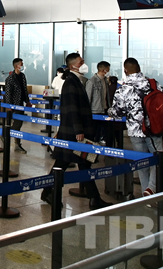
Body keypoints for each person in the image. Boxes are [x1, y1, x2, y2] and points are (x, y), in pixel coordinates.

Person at [40, 53, 111, 210]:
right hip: (73, 132)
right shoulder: (71, 82)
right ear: (73, 66)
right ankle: (48, 191)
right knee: (64, 163)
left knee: (81, 164)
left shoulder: (77, 81)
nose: (84, 64)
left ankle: (93, 198)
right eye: (81, 62)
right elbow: (72, 108)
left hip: (74, 130)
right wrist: (78, 130)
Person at [108, 57, 163, 197]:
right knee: (158, 159)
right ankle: (151, 188)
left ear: (125, 71)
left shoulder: (123, 89)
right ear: (139, 68)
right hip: (154, 128)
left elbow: (117, 113)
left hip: (135, 131)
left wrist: (109, 111)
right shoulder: (153, 84)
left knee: (142, 163)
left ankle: (148, 191)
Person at [3, 57, 31, 154]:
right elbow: (8, 93)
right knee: (17, 123)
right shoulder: (10, 78)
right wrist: (9, 105)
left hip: (21, 103)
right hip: (14, 104)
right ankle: (8, 136)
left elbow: (24, 89)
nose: (22, 66)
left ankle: (10, 138)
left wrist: (27, 101)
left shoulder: (22, 76)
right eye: (21, 64)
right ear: (16, 66)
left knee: (18, 123)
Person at [86, 61, 110, 145]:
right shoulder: (92, 81)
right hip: (95, 111)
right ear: (104, 70)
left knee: (105, 131)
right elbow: (88, 98)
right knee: (95, 132)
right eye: (108, 69)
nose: (109, 71)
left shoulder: (105, 81)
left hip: (105, 110)